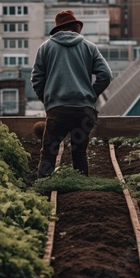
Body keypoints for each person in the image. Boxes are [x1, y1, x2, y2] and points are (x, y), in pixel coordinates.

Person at [31, 10, 112, 178]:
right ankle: (82, 193)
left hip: (57, 110)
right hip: (84, 111)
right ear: (75, 27)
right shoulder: (89, 47)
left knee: (48, 154)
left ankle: (43, 193)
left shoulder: (45, 48)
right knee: (79, 153)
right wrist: (90, 95)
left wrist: (49, 101)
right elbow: (106, 75)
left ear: (58, 29)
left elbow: (37, 80)